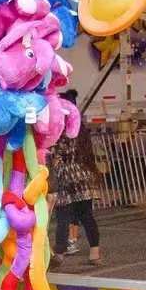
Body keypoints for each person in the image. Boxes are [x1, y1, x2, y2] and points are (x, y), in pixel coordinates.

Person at [48, 89, 104, 266]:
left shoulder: (64, 130)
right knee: (87, 216)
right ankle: (94, 254)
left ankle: (59, 254)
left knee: (63, 217)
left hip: (67, 179)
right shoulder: (82, 129)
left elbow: (57, 155)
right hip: (84, 177)